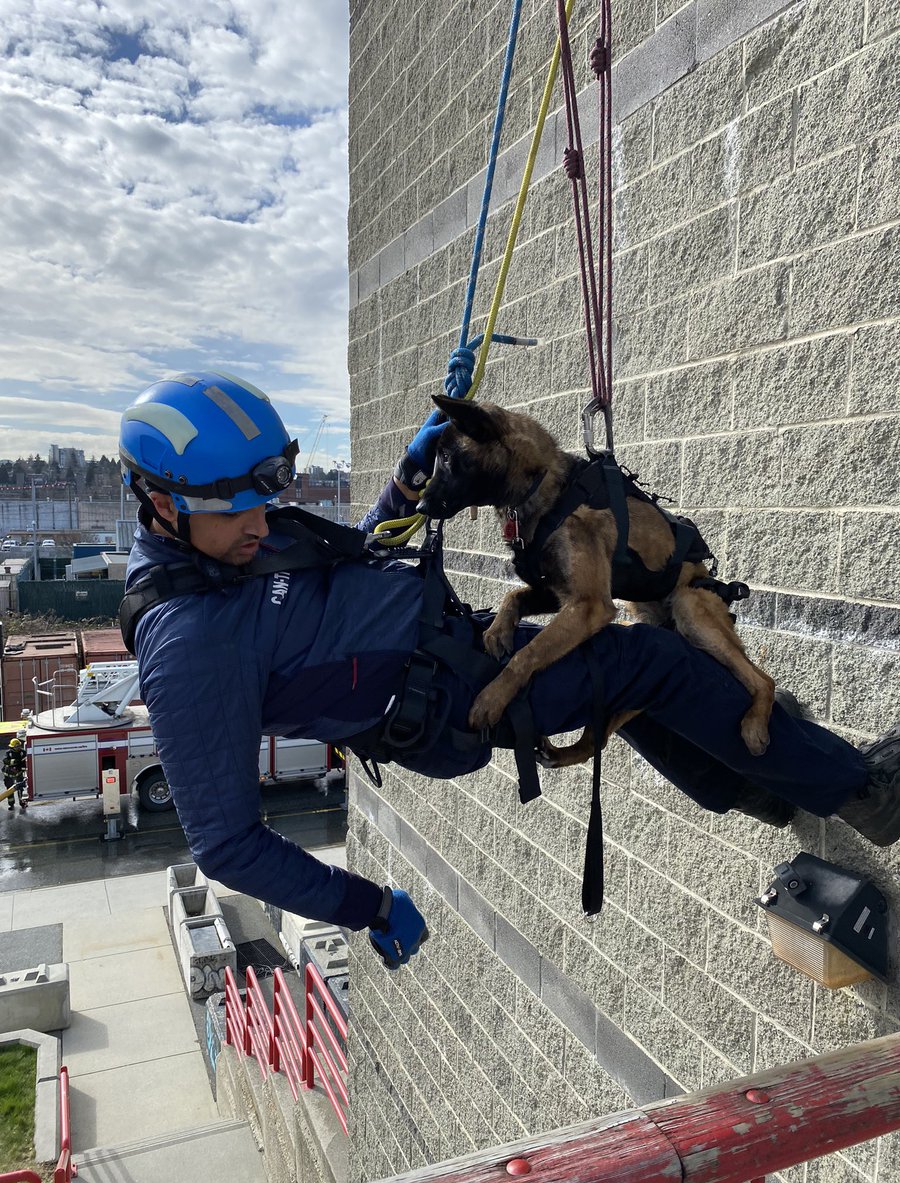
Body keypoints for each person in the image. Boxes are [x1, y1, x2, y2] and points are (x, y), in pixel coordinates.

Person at [119, 371, 900, 968]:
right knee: (654, 660)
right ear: (160, 504)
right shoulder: (189, 646)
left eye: (267, 500)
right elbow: (224, 843)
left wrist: (408, 479)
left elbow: (346, 571)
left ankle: (749, 786)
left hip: (447, 644)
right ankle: (863, 793)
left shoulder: (232, 544)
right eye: (237, 512)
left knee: (616, 669)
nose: (262, 523)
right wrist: (368, 906)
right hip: (450, 699)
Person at [3, 737, 27, 811]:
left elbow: (25, 763)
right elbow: (5, 761)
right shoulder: (8, 753)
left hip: (19, 774)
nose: (18, 748)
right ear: (12, 747)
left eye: (19, 746)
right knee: (9, 790)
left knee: (20, 789)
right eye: (16, 746)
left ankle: (22, 803)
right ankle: (11, 804)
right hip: (8, 775)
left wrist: (21, 768)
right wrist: (14, 762)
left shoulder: (23, 752)